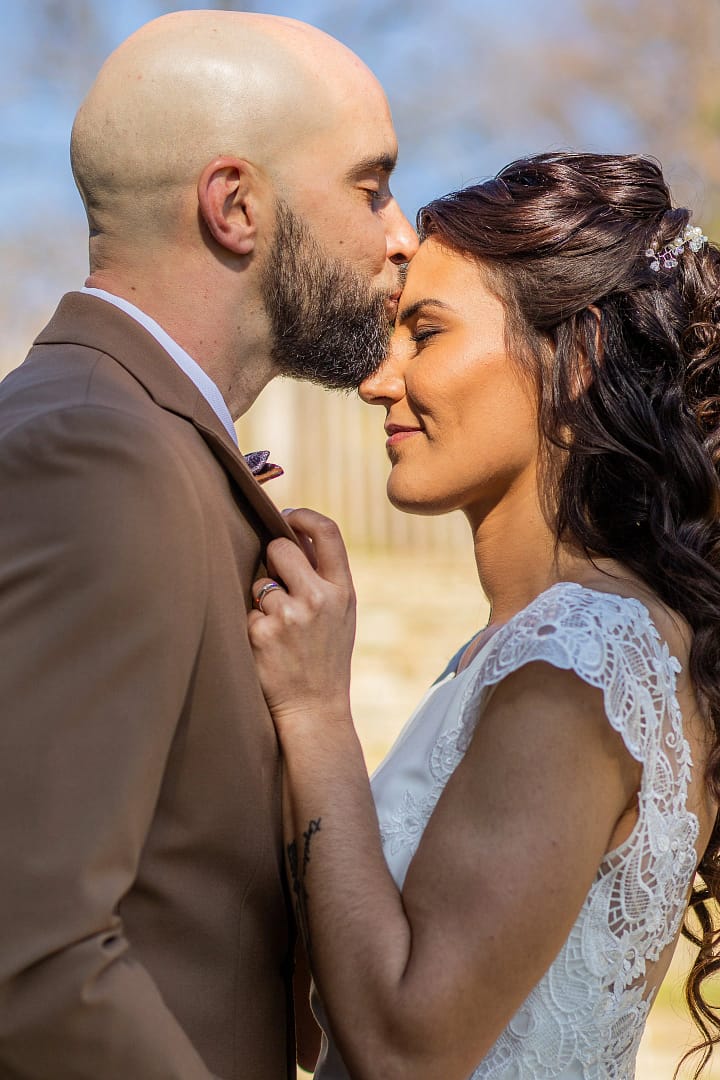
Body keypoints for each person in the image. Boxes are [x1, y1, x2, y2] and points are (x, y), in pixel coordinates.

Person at [0, 10, 417, 1079]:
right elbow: (28, 955)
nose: (401, 234)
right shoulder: (99, 453)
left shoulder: (133, 434)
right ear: (235, 206)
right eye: (371, 187)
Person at [248, 152, 720, 1079]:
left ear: (576, 359)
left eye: (425, 333)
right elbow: (325, 1019)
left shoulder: (579, 663)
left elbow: (403, 1049)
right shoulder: (537, 648)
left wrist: (314, 714)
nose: (379, 382)